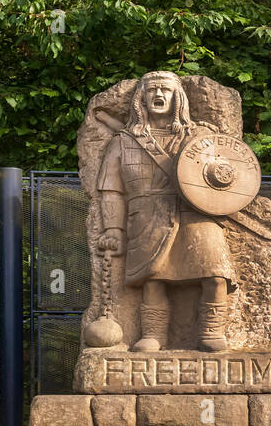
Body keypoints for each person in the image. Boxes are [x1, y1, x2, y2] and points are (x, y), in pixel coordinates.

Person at [96, 71, 235, 351]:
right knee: (153, 278)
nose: (158, 95)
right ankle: (153, 335)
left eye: (165, 90)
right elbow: (111, 189)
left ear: (178, 98)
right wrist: (113, 229)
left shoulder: (201, 136)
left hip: (196, 211)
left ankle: (211, 331)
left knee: (216, 273)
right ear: (141, 99)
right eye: (152, 91)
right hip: (146, 212)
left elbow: (226, 177)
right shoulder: (123, 141)